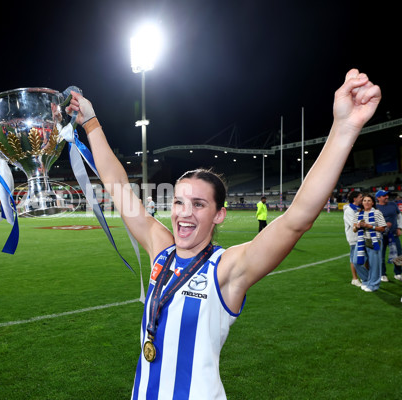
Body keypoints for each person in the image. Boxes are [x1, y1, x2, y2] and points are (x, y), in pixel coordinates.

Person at [67, 68, 380, 399]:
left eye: (198, 204)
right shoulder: (162, 249)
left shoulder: (226, 268)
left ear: (219, 215)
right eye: (178, 202)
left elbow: (296, 219)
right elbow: (117, 185)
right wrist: (91, 121)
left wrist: (345, 128)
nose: (184, 213)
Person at [352, 193, 386, 292]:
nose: (366, 202)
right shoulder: (358, 214)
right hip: (361, 240)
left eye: (369, 201)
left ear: (372, 203)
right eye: (364, 200)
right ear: (362, 202)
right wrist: (357, 226)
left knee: (374, 265)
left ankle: (374, 285)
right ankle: (367, 280)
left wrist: (370, 226)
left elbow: (383, 228)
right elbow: (354, 229)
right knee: (356, 262)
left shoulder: (377, 213)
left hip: (374, 241)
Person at [375, 190, 402, 281]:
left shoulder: (393, 204)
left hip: (393, 234)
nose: (386, 197)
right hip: (380, 235)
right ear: (378, 198)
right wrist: (383, 225)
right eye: (384, 196)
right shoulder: (375, 207)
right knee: (381, 255)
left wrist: (399, 228)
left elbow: (399, 216)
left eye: (387, 195)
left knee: (399, 254)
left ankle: (398, 273)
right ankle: (383, 274)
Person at [344, 190, 363, 286]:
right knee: (354, 258)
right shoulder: (349, 210)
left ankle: (364, 277)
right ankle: (355, 279)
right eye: (360, 197)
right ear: (355, 199)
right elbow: (354, 224)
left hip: (362, 236)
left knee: (364, 257)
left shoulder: (359, 208)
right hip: (354, 238)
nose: (362, 198)